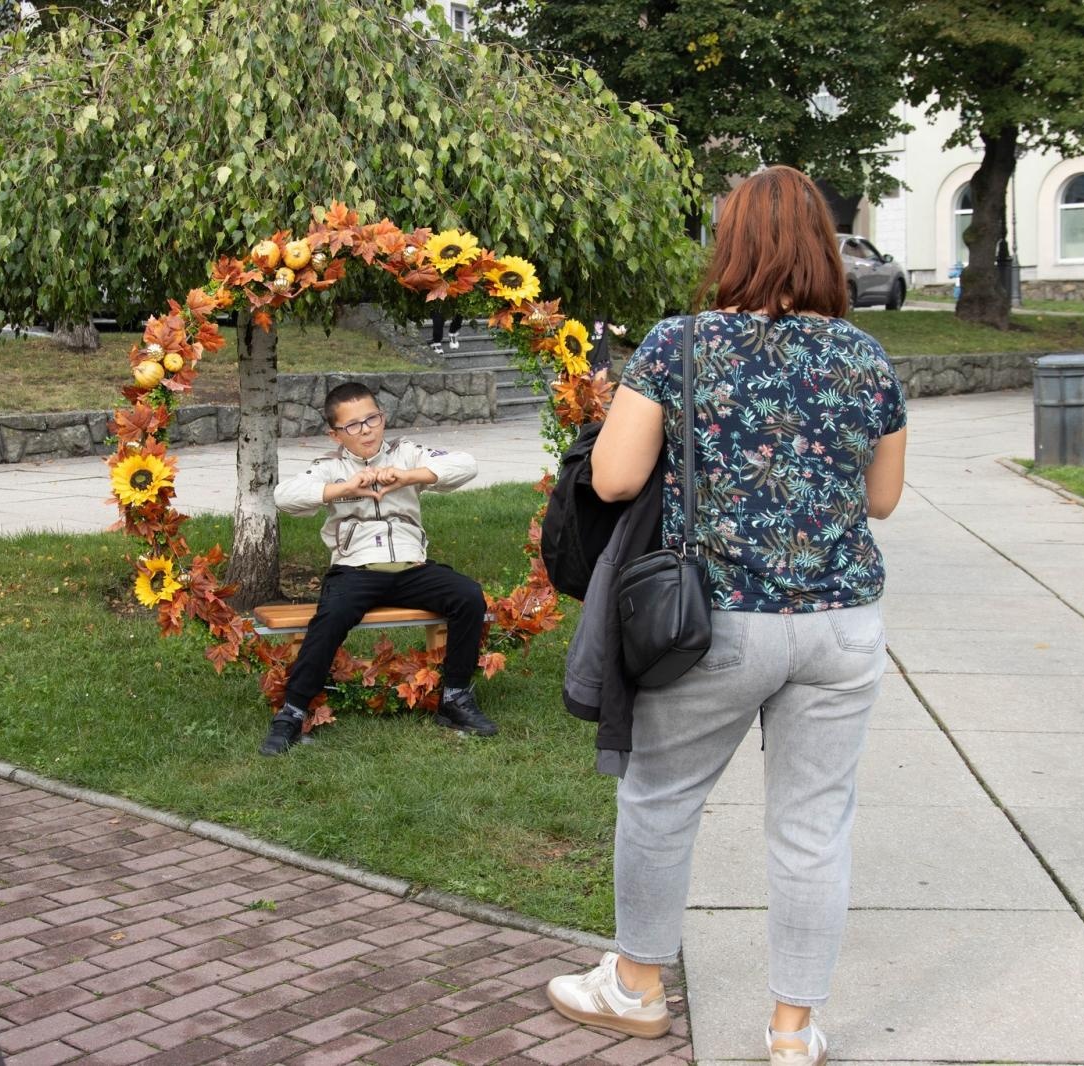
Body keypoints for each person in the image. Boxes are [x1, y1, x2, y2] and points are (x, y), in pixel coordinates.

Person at [544, 166, 908, 1063]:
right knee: (814, 826)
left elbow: (616, 479)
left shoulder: (680, 346)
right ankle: (792, 1033)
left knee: (662, 800)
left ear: (732, 243)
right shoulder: (866, 356)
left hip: (716, 622)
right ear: (825, 246)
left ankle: (635, 987)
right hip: (842, 626)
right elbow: (885, 499)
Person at [264, 381, 494, 755]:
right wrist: (344, 488)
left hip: (411, 568)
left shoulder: (406, 453)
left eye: (372, 419)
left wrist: (408, 476)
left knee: (467, 596)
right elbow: (284, 497)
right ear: (335, 433)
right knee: (331, 616)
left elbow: (466, 465)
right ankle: (292, 711)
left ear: (383, 418)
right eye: (352, 425)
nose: (365, 429)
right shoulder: (329, 466)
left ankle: (454, 697)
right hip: (356, 570)